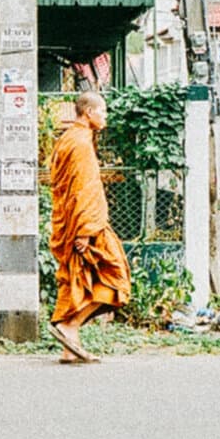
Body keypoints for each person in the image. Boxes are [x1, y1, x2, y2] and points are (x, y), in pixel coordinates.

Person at [48, 90, 131, 364]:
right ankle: (70, 326)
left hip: (71, 219)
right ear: (89, 113)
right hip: (86, 223)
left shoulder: (68, 138)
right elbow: (84, 188)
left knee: (76, 280)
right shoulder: (81, 144)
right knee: (115, 276)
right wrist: (85, 229)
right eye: (103, 111)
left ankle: (69, 347)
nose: (105, 116)